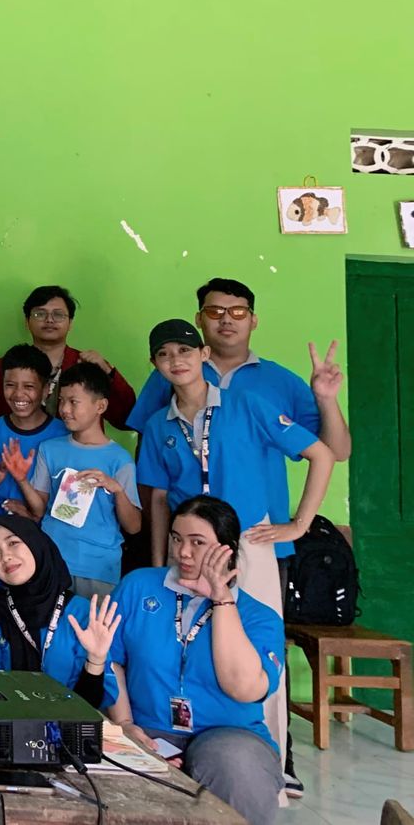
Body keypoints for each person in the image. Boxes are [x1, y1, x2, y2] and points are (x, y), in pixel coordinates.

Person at [133, 316, 334, 771]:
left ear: (204, 355)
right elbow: (159, 499)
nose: (176, 361)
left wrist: (299, 525)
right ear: (155, 364)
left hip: (247, 539)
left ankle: (272, 764)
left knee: (256, 649)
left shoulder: (247, 403)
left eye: (185, 351)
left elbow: (321, 454)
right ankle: (186, 751)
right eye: (164, 354)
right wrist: (161, 559)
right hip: (189, 545)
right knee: (187, 641)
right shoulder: (159, 425)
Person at [107, 495, 287, 825]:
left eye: (197, 542)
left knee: (235, 764)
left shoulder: (259, 617)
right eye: (177, 539)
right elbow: (111, 660)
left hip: (230, 735)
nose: (183, 552)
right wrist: (125, 725)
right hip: (147, 729)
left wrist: (221, 599)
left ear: (228, 549)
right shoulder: (138, 586)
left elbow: (244, 689)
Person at [0, 516, 118, 709]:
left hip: (70, 724)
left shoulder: (82, 613)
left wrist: (96, 660)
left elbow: (89, 709)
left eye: (13, 543)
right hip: (8, 724)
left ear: (36, 544)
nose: (5, 556)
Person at [6, 362, 141, 599]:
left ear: (100, 406)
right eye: (61, 401)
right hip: (53, 560)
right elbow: (39, 509)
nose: (64, 409)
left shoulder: (119, 460)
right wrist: (22, 480)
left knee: (92, 623)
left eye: (73, 402)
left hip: (99, 567)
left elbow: (134, 526)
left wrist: (117, 490)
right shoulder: (49, 449)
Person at [0, 285, 137, 429]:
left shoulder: (87, 365)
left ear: (70, 323)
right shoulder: (8, 365)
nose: (49, 320)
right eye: (40, 314)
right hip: (19, 452)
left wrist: (108, 372)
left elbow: (127, 419)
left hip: (76, 453)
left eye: (58, 315)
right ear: (27, 321)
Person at [0, 344, 67, 519]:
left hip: (43, 530)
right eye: (10, 385)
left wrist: (31, 517)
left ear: (46, 390)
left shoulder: (63, 434)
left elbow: (68, 503)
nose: (18, 394)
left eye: (28, 386)